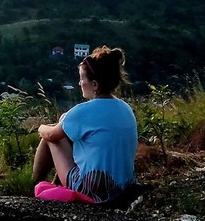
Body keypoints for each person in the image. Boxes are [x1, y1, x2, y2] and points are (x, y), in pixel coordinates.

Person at [32, 45, 137, 204]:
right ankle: (52, 186)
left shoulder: (84, 111)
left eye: (82, 78)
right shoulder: (125, 108)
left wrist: (40, 127)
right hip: (122, 189)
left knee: (52, 137)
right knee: (67, 132)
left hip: (91, 189)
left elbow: (51, 135)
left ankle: (33, 185)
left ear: (95, 84)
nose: (79, 83)